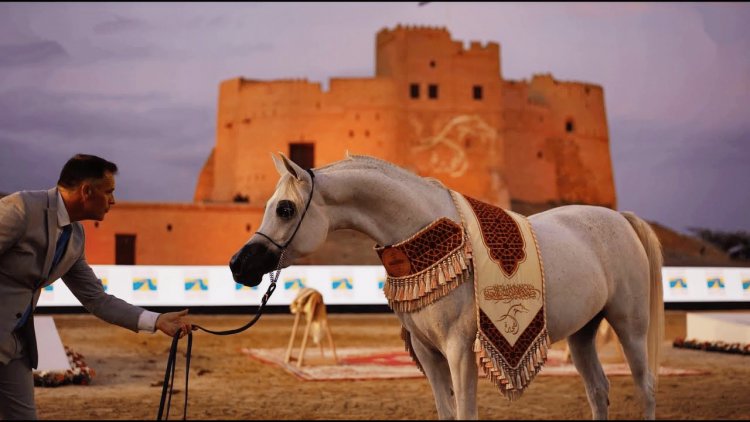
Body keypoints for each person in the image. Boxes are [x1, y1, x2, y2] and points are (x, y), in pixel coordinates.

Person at [0, 153, 193, 419]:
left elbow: (96, 299)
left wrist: (156, 320)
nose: (113, 201)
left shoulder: (75, 237)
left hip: (16, 345)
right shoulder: (21, 209)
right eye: (109, 192)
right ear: (87, 191)